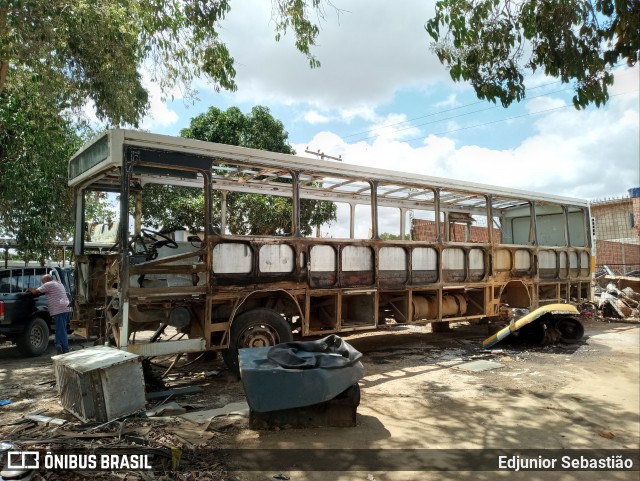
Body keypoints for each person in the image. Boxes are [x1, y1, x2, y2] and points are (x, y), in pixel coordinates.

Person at [27, 274, 72, 354]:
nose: (42, 282)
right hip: (66, 307)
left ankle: (65, 349)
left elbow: (35, 291)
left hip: (59, 309)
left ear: (46, 280)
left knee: (61, 330)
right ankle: (58, 344)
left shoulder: (48, 284)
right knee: (60, 328)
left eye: (42, 281)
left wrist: (28, 289)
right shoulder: (58, 283)